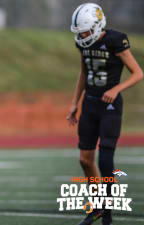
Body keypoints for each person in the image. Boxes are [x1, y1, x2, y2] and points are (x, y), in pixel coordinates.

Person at [66, 3, 143, 225]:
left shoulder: (115, 41)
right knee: (85, 159)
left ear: (98, 26)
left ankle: (107, 214)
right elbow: (84, 72)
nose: (82, 35)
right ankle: (99, 206)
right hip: (90, 104)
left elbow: (138, 73)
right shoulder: (82, 43)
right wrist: (74, 103)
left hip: (110, 106)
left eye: (86, 30)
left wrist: (116, 89)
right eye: (79, 31)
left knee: (106, 159)